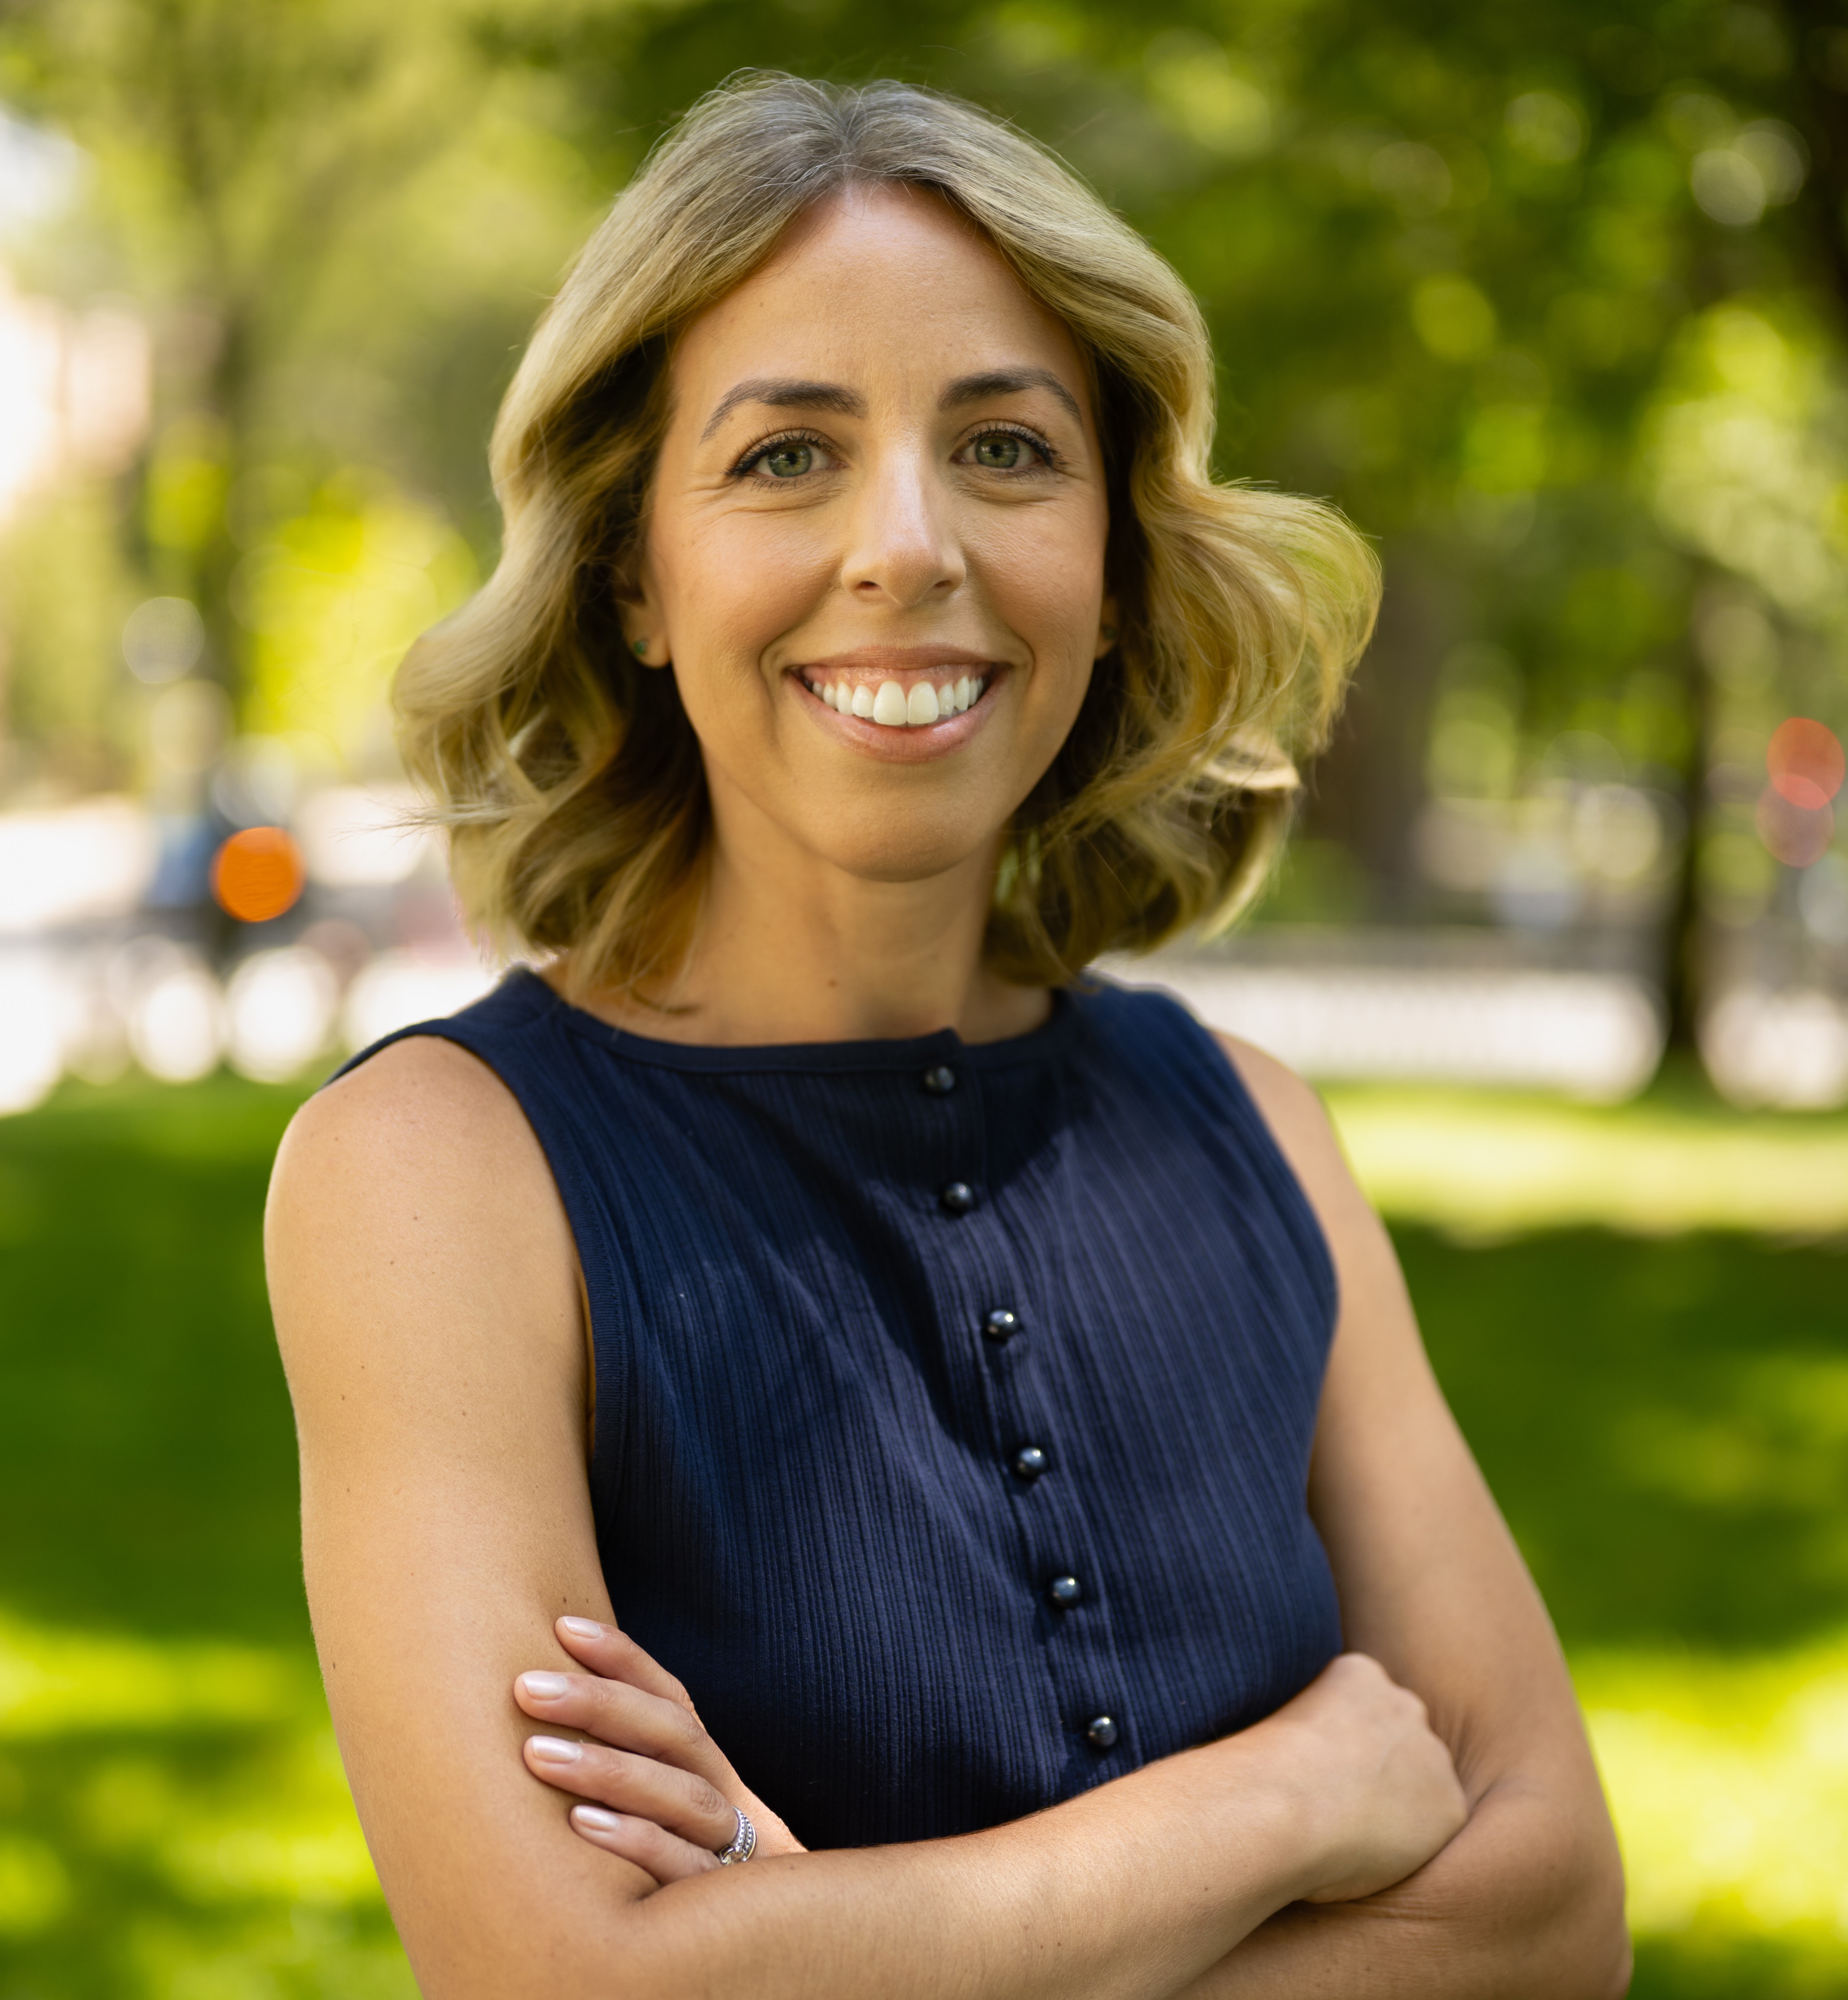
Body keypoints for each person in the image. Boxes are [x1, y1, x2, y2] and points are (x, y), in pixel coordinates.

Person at [265, 74, 1630, 1999]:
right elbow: (569, 1983)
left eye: (1003, 447)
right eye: (783, 459)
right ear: (634, 574)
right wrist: (1286, 1806)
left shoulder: (1254, 1130)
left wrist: (808, 1929)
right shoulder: (435, 1175)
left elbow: (1556, 1912)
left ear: (1112, 555)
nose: (908, 546)